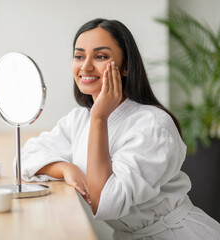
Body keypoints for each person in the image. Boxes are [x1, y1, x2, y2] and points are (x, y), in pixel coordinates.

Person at [18, 18, 220, 239]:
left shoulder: (153, 126)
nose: (85, 66)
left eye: (100, 56)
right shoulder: (79, 119)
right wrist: (65, 168)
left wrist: (99, 118)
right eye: (79, 56)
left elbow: (106, 202)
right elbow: (23, 158)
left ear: (125, 67)